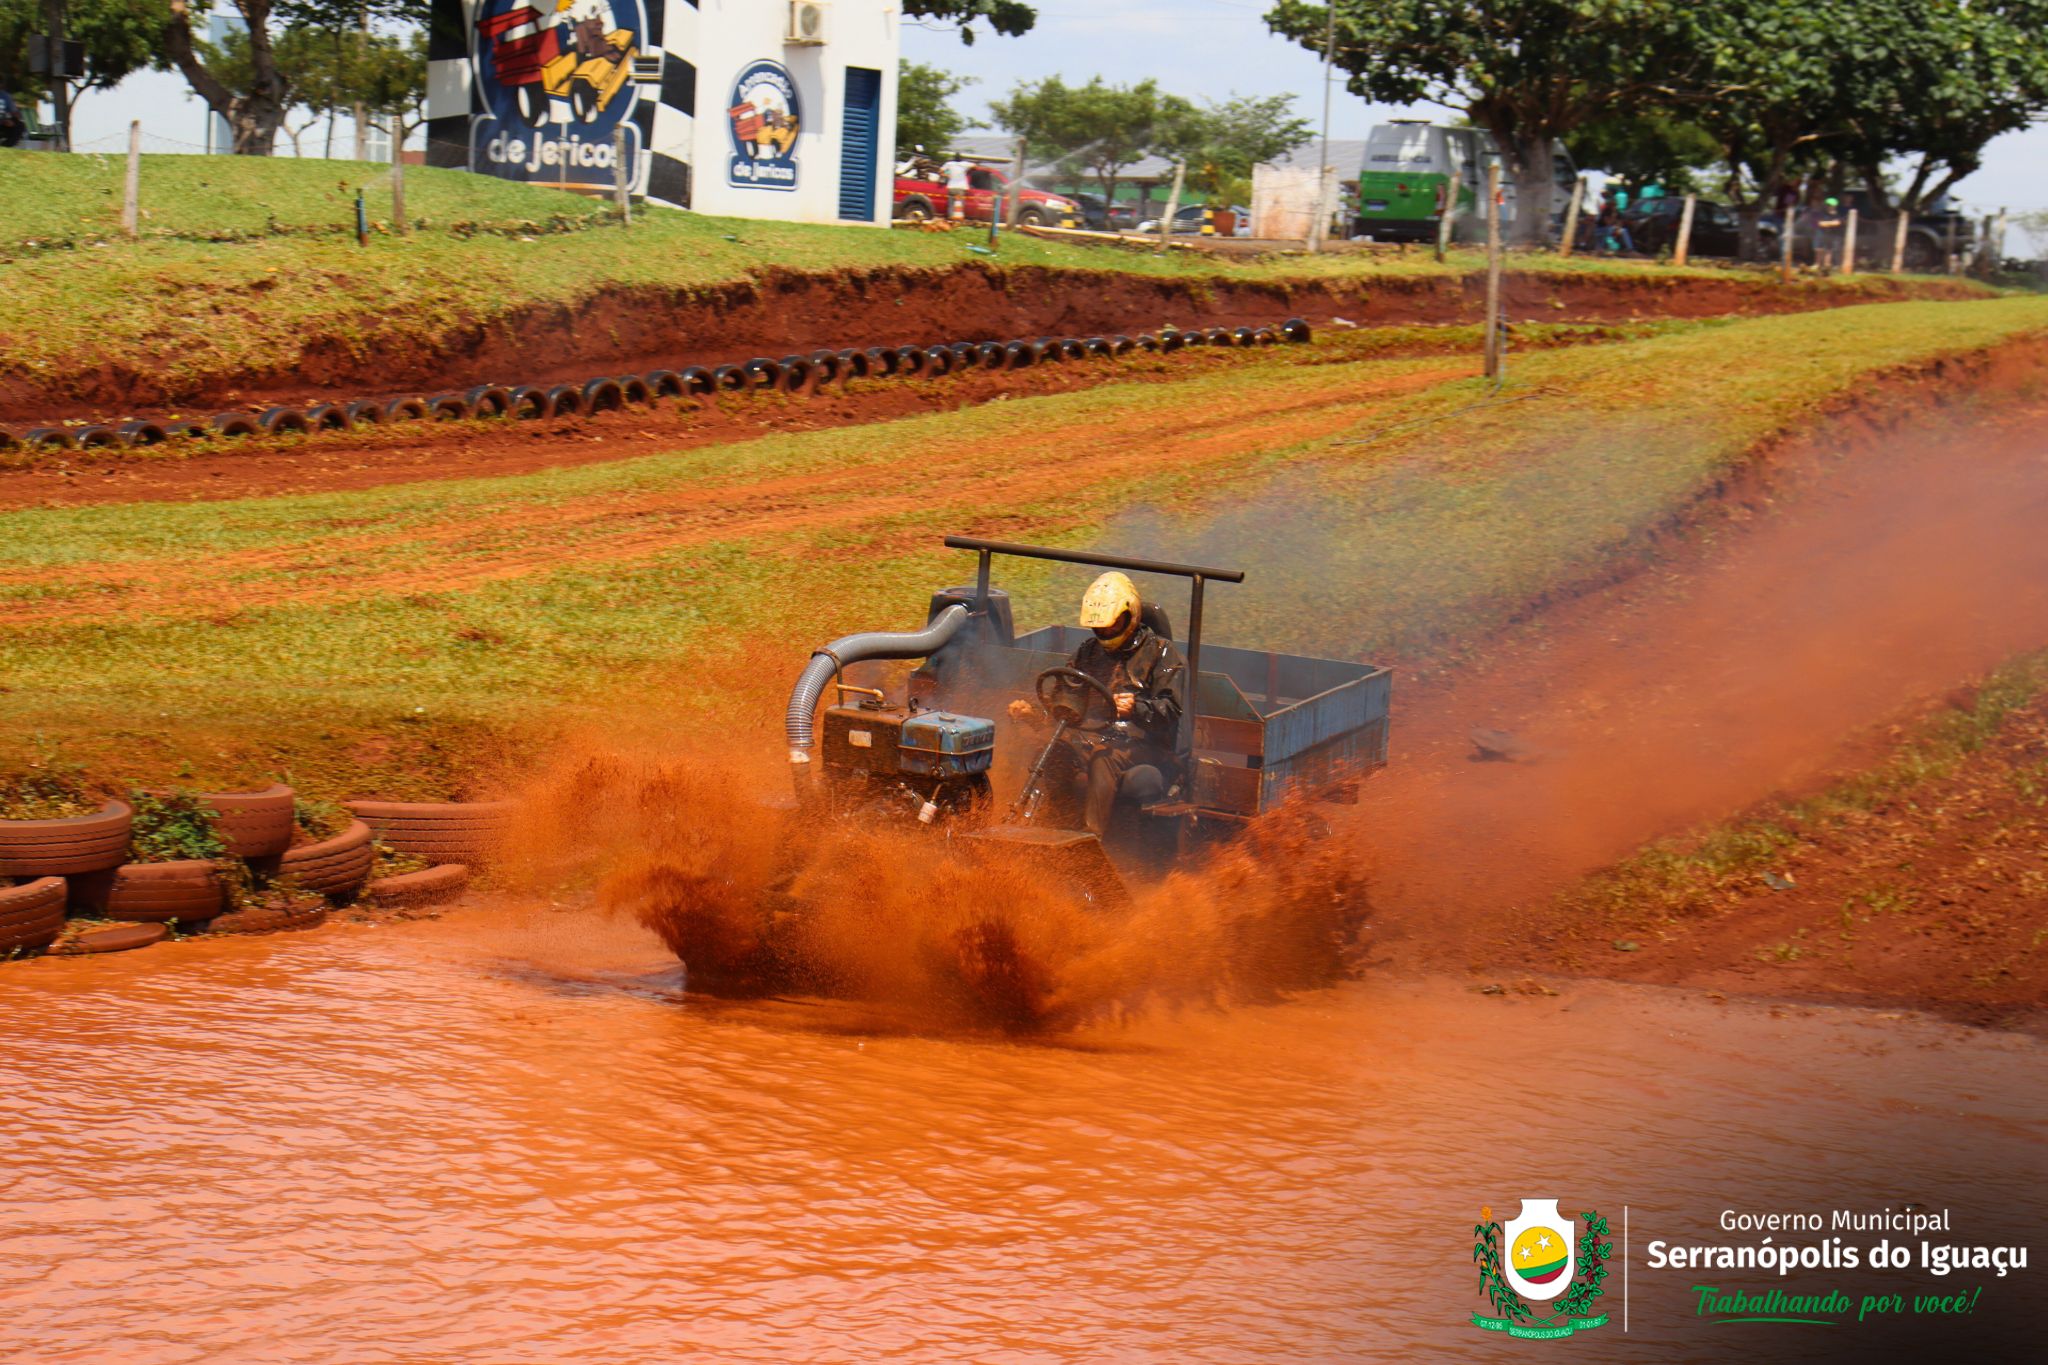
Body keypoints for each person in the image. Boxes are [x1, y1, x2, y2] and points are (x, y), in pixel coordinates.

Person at [1008, 571, 1187, 836]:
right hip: (1092, 739)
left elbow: (1170, 710)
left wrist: (1135, 708)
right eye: (1100, 626)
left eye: (1112, 625)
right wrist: (1033, 715)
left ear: (1131, 615)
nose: (1105, 631)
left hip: (1146, 746)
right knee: (1053, 753)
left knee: (1103, 760)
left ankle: (1091, 840)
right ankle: (1037, 830)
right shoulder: (1089, 652)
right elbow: (1066, 708)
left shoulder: (1161, 652)